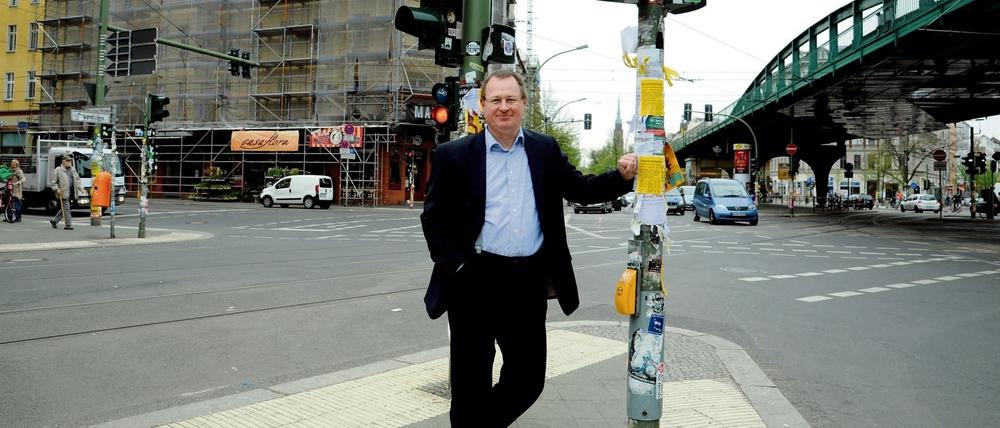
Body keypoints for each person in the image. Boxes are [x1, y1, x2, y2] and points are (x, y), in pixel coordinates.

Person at [420, 70, 636, 427]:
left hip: (527, 281)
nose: (503, 107)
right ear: (483, 105)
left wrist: (622, 178)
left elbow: (581, 189)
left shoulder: (543, 149)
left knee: (528, 379)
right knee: (470, 381)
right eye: (496, 100)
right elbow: (433, 219)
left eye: (511, 100)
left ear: (523, 103)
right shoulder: (454, 155)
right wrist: (457, 267)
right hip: (473, 280)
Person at [50, 156, 83, 230]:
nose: (69, 162)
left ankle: (54, 221)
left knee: (64, 208)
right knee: (66, 208)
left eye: (70, 161)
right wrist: (56, 189)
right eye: (67, 161)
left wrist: (81, 189)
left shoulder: (73, 169)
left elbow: (77, 180)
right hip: (63, 192)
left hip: (72, 192)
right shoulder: (58, 170)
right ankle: (68, 225)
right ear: (63, 161)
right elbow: (53, 182)